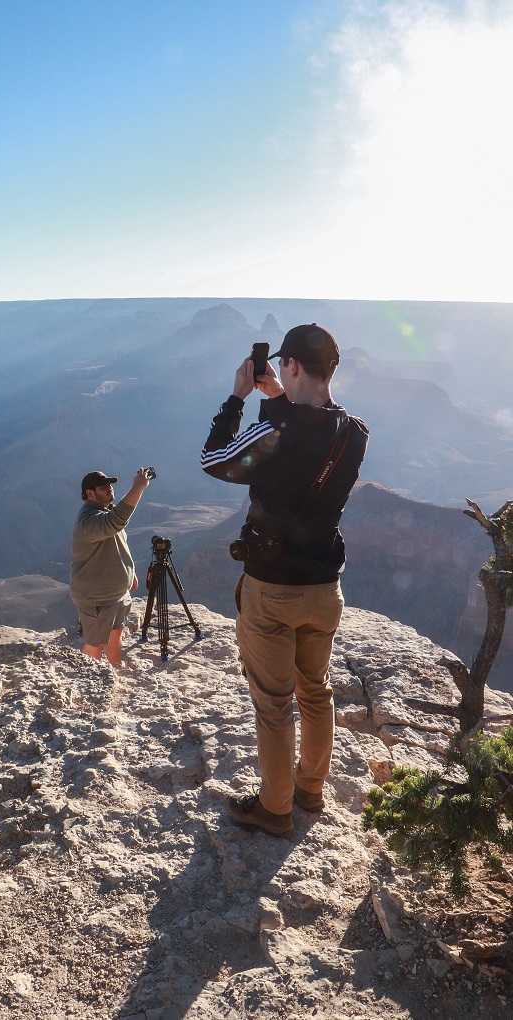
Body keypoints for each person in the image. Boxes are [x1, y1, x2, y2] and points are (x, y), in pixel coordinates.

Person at [201, 324, 369, 837]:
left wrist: (237, 397)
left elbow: (215, 459)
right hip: (325, 588)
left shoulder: (275, 432)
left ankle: (274, 810)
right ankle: (309, 789)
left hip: (272, 589)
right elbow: (308, 436)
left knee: (275, 706)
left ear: (291, 365)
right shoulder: (354, 433)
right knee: (315, 691)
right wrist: (278, 398)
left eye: (282, 365)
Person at [70, 468, 150, 666]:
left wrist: (130, 572)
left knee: (115, 636)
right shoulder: (88, 521)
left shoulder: (104, 512)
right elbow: (116, 520)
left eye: (110, 484)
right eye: (103, 486)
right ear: (90, 493)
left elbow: (118, 544)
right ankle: (88, 678)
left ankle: (115, 672)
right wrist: (137, 488)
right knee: (95, 644)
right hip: (97, 598)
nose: (109, 488)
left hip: (116, 595)